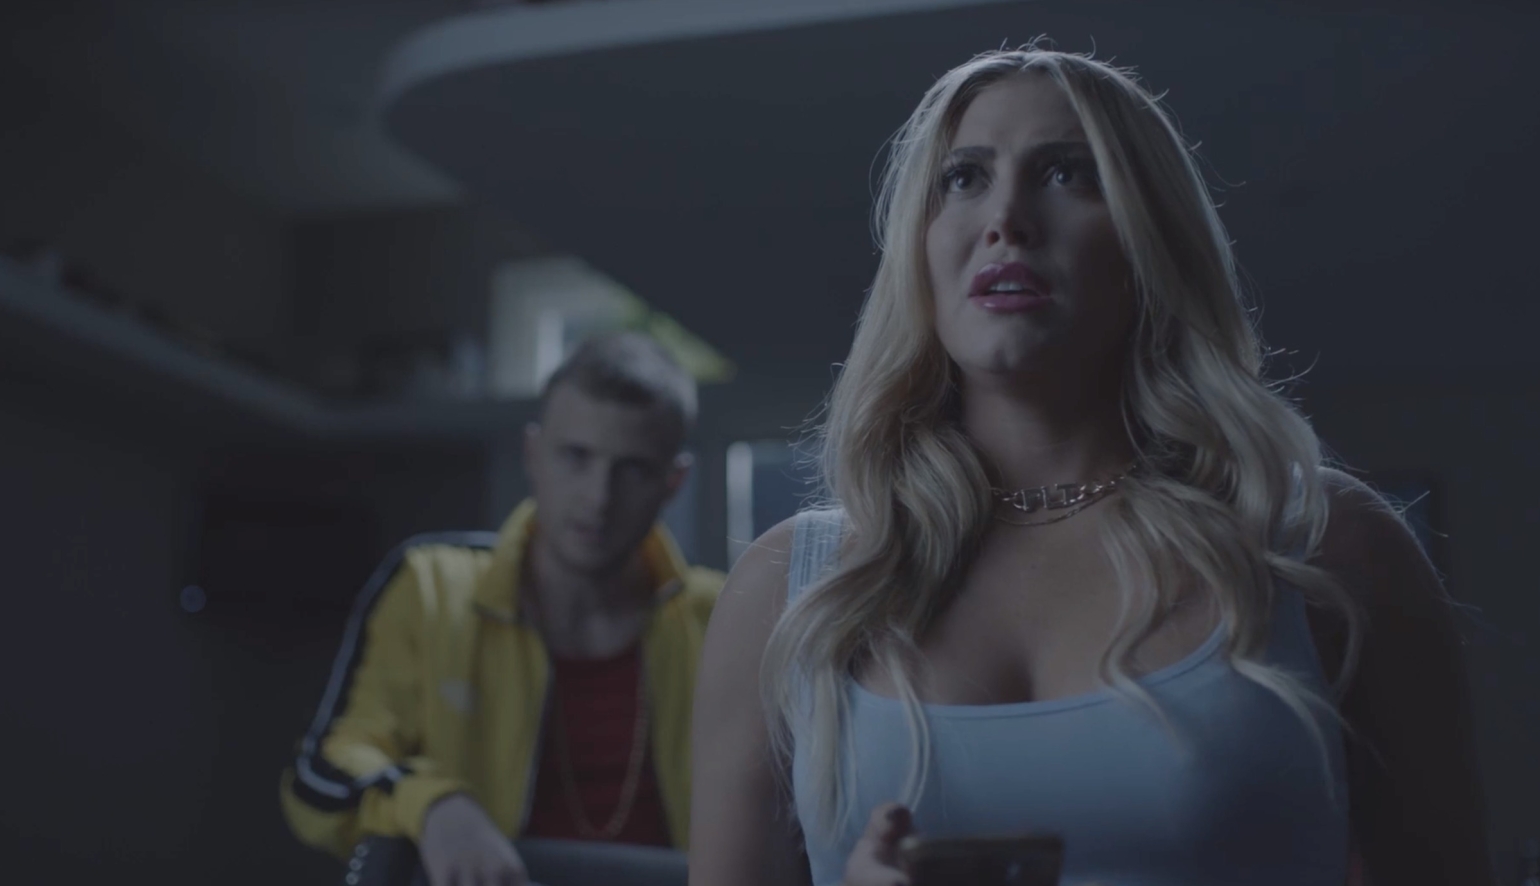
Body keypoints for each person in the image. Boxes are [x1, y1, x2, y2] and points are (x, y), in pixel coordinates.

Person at [689, 46, 1492, 886]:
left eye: (1066, 173)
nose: (1007, 219)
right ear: (918, 248)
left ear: (1152, 240)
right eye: (963, 178)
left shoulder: (1326, 548)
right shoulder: (791, 590)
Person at [281, 331, 725, 886]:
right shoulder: (430, 586)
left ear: (673, 482)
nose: (599, 497)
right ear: (532, 454)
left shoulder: (722, 617)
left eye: (632, 468)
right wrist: (435, 806)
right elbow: (323, 771)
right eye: (576, 456)